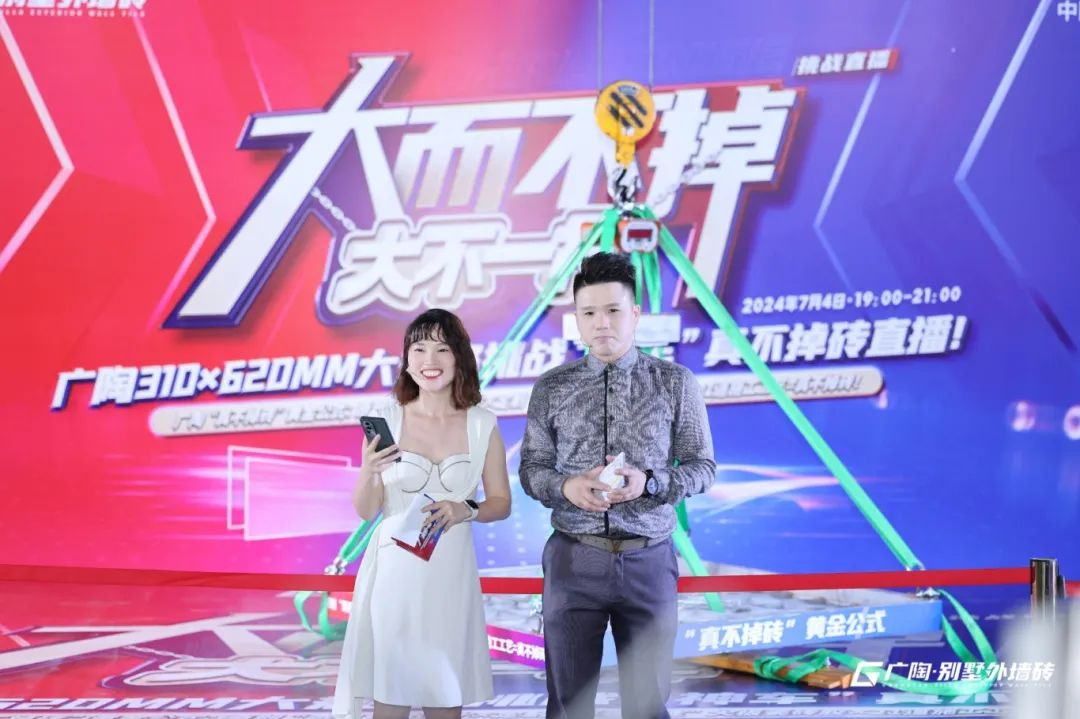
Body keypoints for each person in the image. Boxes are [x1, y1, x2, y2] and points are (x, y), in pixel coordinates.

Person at [520, 252, 716, 719]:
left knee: (646, 704)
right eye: (589, 312)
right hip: (574, 558)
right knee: (569, 705)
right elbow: (531, 469)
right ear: (576, 318)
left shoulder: (674, 382)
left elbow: (702, 467)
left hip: (649, 559)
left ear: (635, 314)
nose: (601, 323)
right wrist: (566, 487)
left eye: (612, 310)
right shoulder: (551, 387)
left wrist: (650, 483)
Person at [333, 309, 511, 719]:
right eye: (419, 349)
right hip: (394, 573)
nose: (430, 360)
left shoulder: (482, 424)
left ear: (459, 357)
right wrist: (369, 471)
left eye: (442, 349)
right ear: (407, 359)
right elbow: (366, 510)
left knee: (444, 696)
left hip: (450, 574)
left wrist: (464, 508)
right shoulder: (388, 419)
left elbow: (500, 502)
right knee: (390, 693)